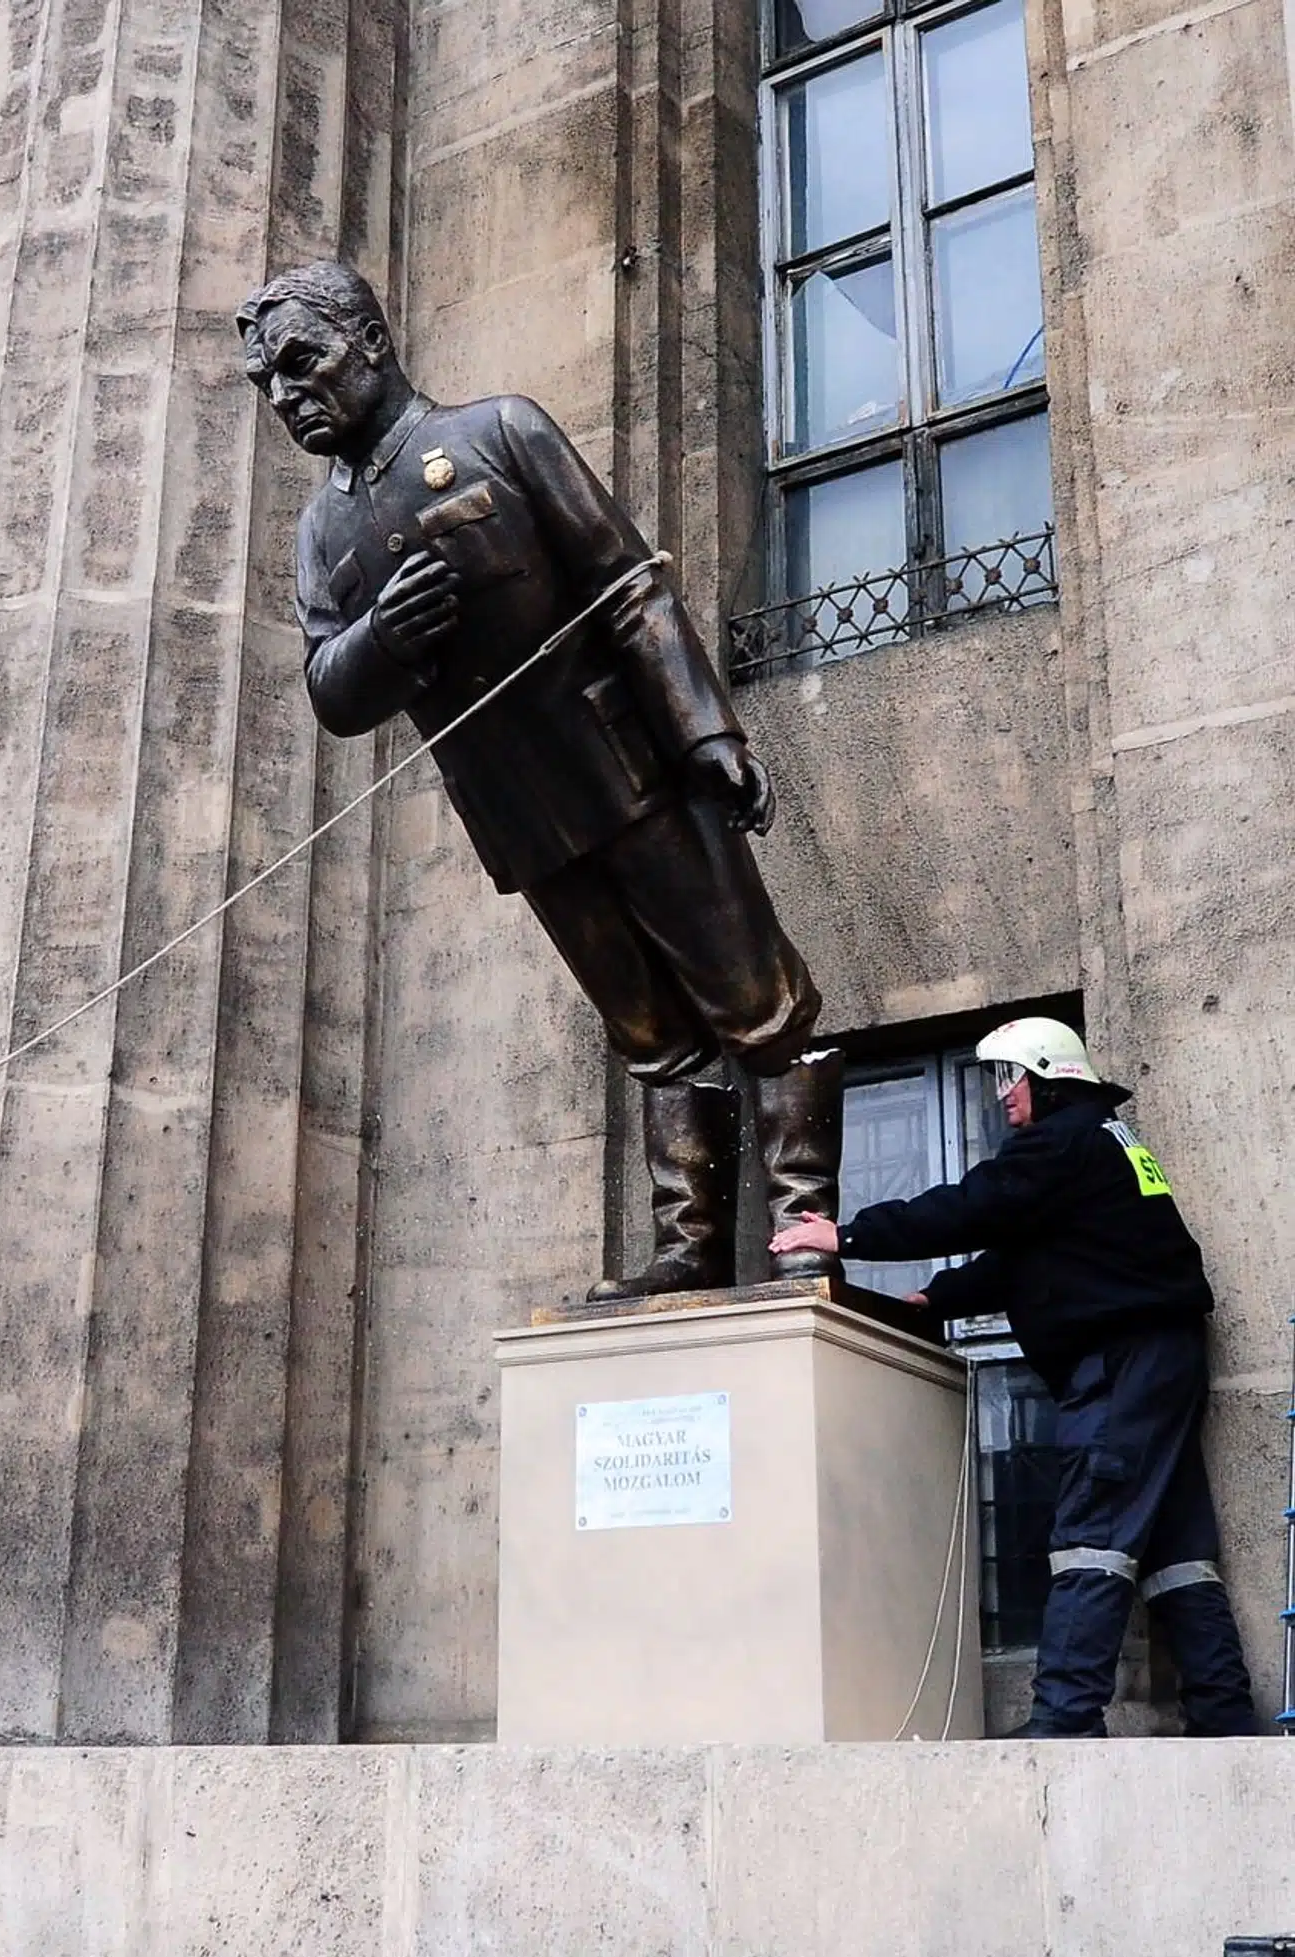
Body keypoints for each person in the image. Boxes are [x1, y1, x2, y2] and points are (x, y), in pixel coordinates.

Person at [236, 260, 843, 1302]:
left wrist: (708, 733)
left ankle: (804, 1227)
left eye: (305, 362)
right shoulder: (319, 531)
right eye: (270, 383)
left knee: (756, 998)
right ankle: (691, 1246)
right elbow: (331, 688)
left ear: (370, 344)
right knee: (647, 1033)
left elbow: (629, 585)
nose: (289, 395)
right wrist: (383, 638)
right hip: (525, 822)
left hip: (636, 769)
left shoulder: (499, 432)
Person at [771, 1015, 1259, 1739]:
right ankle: (1225, 1721)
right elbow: (1024, 1257)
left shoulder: (1060, 1145)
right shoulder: (1102, 1143)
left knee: (1092, 1532)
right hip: (1160, 1356)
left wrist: (847, 1235)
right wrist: (937, 1299)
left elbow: (974, 1207)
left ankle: (1063, 1723)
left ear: (1047, 1077)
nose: (1003, 1096)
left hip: (1121, 1360)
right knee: (1177, 1551)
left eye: (1011, 1077)